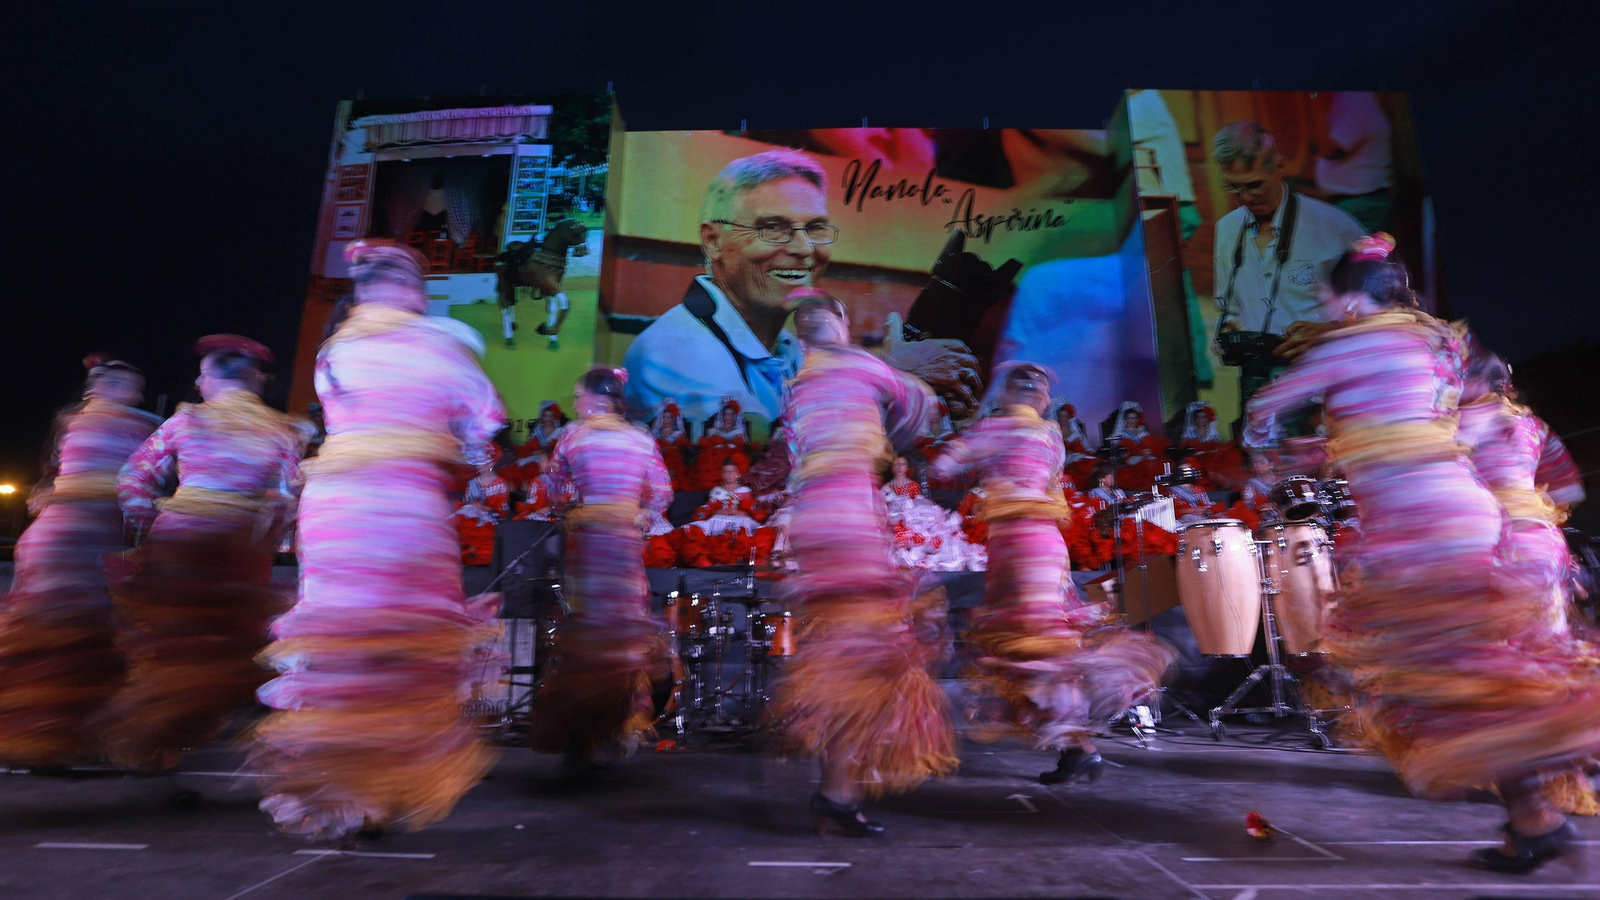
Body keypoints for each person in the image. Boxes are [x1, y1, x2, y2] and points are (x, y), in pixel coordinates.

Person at [1243, 233, 1600, 873]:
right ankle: (1532, 819)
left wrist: (1263, 455)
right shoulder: (1438, 342)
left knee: (1446, 677)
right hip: (1467, 513)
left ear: (1354, 300)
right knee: (1468, 678)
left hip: (1417, 525)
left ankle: (1550, 781)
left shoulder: (1349, 340)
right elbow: (1400, 427)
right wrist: (1328, 452)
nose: (1325, 308)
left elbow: (1265, 406)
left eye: (1328, 295)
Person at [252, 239, 507, 841]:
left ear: (363, 289)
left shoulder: (335, 350)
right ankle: (384, 784)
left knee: (341, 642)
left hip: (336, 508)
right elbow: (481, 428)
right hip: (401, 510)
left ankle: (335, 789)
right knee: (402, 647)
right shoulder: (441, 346)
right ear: (415, 289)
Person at [768, 290, 956, 837]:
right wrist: (886, 441)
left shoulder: (799, 381)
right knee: (869, 657)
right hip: (848, 508)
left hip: (811, 517)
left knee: (846, 654)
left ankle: (837, 792)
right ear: (842, 320)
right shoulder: (859, 364)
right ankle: (835, 790)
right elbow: (922, 403)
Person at [931, 362, 1173, 784]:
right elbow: (1052, 488)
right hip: (1047, 547)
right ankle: (1078, 750)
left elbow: (942, 467)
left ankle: (1081, 746)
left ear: (1007, 395)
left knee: (1033, 651)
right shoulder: (1050, 434)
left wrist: (987, 469)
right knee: (1043, 647)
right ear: (1041, 399)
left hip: (1016, 548)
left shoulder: (994, 430)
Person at [622, 148, 980, 430]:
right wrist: (892, 381)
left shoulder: (790, 346)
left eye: (816, 228)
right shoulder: (672, 354)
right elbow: (757, 467)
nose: (805, 249)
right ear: (713, 240)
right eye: (774, 228)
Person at [99, 335, 303, 773]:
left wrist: (146, 525)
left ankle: (156, 741)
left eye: (202, 374)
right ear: (255, 383)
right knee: (225, 646)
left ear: (211, 380)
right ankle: (194, 731)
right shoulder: (282, 430)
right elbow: (289, 499)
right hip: (239, 552)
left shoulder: (187, 421)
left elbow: (132, 477)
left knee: (172, 643)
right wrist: (265, 537)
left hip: (180, 540)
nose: (197, 381)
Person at [0, 355, 160, 766]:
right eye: (123, 385)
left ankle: (71, 733)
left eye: (136, 387)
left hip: (103, 534)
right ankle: (42, 733)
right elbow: (52, 475)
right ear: (97, 386)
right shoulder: (77, 422)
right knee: (59, 629)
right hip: (69, 535)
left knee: (93, 633)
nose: (132, 394)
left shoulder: (140, 426)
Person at [526, 367, 674, 772]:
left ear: (596, 400)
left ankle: (586, 732)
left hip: (592, 547)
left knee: (590, 634)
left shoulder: (575, 435)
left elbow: (556, 492)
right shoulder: (640, 440)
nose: (575, 404)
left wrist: (574, 508)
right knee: (624, 635)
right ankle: (620, 729)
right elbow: (662, 491)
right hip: (624, 548)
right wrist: (641, 514)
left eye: (578, 397)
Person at [1211, 122, 1367, 341]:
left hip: (1324, 364)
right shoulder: (1226, 228)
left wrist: (1330, 331)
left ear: (1281, 167)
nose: (1245, 198)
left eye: (1255, 185)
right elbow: (1228, 308)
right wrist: (1228, 328)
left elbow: (1381, 308)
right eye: (1234, 187)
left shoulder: (1334, 225)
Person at [882, 455, 985, 572]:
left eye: (902, 464)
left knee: (927, 534)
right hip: (894, 519)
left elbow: (919, 503)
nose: (899, 467)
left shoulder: (913, 485)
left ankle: (925, 555)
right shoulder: (887, 487)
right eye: (896, 464)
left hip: (914, 518)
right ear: (892, 468)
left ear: (907, 467)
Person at [1311, 92, 1394, 234]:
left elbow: (1328, 148)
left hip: (1361, 206)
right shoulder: (1346, 100)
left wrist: (1315, 98)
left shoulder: (1357, 99)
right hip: (1353, 204)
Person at [678, 460, 773, 568]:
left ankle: (739, 559)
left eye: (731, 471)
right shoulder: (717, 491)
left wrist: (739, 512)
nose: (728, 475)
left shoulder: (744, 490)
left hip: (740, 518)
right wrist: (716, 511)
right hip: (719, 518)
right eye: (725, 472)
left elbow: (754, 510)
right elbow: (707, 508)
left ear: (738, 474)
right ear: (722, 474)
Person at [689, 398, 756, 490]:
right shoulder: (714, 430)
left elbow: (744, 446)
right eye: (726, 414)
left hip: (732, 456)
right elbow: (707, 445)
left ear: (734, 415)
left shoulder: (739, 430)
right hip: (715, 455)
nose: (728, 417)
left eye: (731, 414)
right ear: (722, 415)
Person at [452, 463, 510, 567]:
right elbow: (467, 501)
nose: (479, 465)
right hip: (472, 514)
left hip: (492, 518)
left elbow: (502, 509)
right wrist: (473, 505)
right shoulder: (472, 482)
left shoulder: (501, 483)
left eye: (482, 462)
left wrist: (483, 508)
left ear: (491, 463)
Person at [1104, 401, 1169, 492]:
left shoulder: (1142, 431)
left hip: (1145, 456)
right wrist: (1140, 452)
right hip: (1128, 457)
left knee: (1156, 461)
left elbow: (1152, 446)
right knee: (1145, 462)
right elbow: (1119, 451)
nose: (1132, 421)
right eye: (1129, 418)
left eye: (1134, 418)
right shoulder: (1120, 433)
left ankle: (1155, 488)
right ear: (1125, 419)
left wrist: (1149, 451)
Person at [1051, 398, 1098, 490]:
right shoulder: (1054, 431)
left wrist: (1073, 452)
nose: (1063, 419)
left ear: (1069, 417)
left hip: (1073, 457)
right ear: (1058, 417)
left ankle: (1097, 489)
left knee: (1090, 463)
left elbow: (1080, 448)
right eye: (1061, 416)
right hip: (1060, 459)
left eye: (1066, 416)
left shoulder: (1074, 432)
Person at [650, 398, 693, 491]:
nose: (667, 420)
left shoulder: (678, 434)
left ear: (673, 419)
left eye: (669, 417)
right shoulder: (655, 433)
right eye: (664, 417)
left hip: (675, 465)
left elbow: (684, 449)